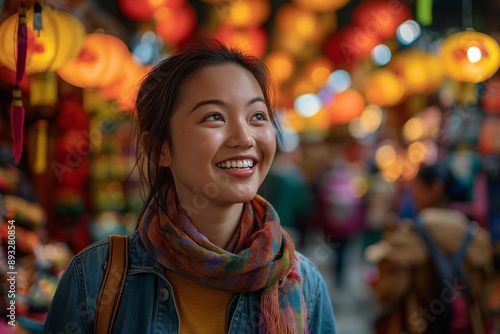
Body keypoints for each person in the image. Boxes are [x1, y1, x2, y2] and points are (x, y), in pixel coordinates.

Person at [43, 40, 336, 333]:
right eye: (214, 117)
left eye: (257, 116)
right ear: (159, 148)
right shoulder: (95, 278)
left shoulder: (304, 284)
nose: (244, 138)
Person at [366, 163, 493, 334]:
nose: (412, 195)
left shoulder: (409, 234)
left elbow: (388, 293)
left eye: (416, 187)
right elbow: (485, 300)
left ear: (435, 188)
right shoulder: (477, 237)